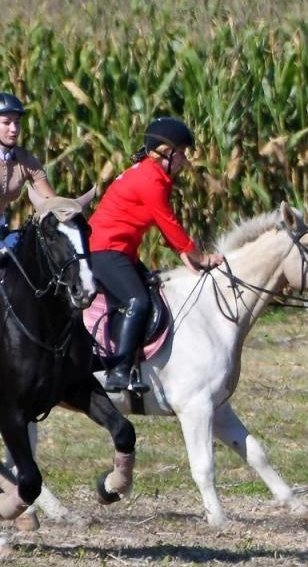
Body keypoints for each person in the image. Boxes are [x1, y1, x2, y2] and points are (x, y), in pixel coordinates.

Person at [88, 116, 222, 393]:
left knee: (151, 293)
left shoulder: (152, 175)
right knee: (137, 301)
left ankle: (138, 366)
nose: (184, 161)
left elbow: (161, 223)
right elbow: (168, 222)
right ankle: (118, 370)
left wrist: (182, 252)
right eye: (181, 154)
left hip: (122, 250)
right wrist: (198, 256)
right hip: (105, 250)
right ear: (163, 152)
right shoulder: (150, 179)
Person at [0, 91, 64, 249]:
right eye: (7, 123)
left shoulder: (24, 159)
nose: (14, 129)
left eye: (17, 122)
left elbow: (51, 202)